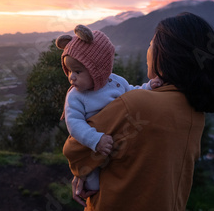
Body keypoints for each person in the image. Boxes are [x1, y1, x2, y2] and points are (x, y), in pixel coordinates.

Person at [63, 12, 214, 210]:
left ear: (167, 54)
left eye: (151, 44)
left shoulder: (136, 104)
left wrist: (83, 172)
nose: (148, 50)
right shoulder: (195, 114)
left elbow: (74, 150)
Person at [56, 24, 162, 191]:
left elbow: (131, 93)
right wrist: (95, 140)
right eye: (69, 71)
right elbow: (74, 123)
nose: (71, 77)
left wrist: (148, 87)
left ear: (98, 69)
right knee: (94, 186)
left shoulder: (116, 82)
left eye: (77, 71)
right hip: (92, 147)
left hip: (119, 143)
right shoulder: (75, 96)